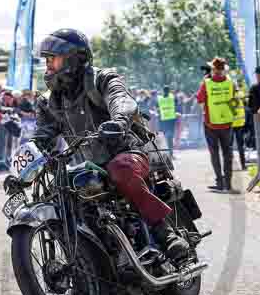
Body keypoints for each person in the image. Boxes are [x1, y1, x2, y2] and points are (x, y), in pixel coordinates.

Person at [32, 28, 189, 261]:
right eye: (46, 60)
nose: (48, 65)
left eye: (52, 59)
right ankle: (87, 264)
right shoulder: (50, 101)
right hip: (88, 166)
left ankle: (164, 233)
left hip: (126, 151)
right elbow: (42, 135)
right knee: (57, 193)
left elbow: (121, 99)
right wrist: (25, 161)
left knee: (121, 169)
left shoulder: (102, 79)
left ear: (73, 58)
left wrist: (118, 121)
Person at [197, 57, 237, 193]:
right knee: (228, 153)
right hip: (227, 123)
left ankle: (219, 183)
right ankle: (228, 184)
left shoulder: (206, 83)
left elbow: (200, 101)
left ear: (214, 69)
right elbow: (235, 101)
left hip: (211, 123)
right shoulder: (230, 83)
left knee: (214, 153)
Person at [156, 85, 179, 159]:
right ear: (169, 91)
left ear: (163, 91)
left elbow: (157, 109)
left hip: (162, 121)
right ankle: (170, 154)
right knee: (170, 138)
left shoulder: (159, 99)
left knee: (163, 138)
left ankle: (164, 155)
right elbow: (177, 104)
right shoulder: (172, 97)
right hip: (171, 120)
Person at [230, 78, 248, 170]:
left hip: (230, 124)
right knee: (240, 146)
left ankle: (230, 166)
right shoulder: (240, 94)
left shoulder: (227, 95)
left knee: (229, 146)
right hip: (239, 124)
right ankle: (243, 165)